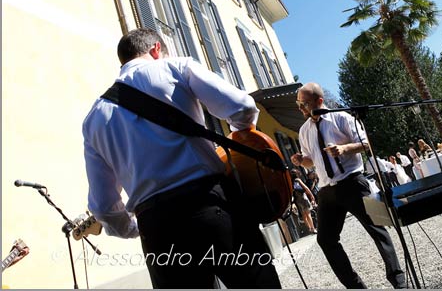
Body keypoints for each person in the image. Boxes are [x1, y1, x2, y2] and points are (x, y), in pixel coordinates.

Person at [82, 29, 281, 289]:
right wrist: (239, 143)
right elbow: (242, 107)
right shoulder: (176, 67)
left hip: (156, 229)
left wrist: (135, 228)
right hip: (211, 204)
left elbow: (104, 206)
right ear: (156, 49)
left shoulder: (93, 120)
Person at [290, 83, 406, 289]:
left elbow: (365, 143)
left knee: (378, 230)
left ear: (319, 101)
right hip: (327, 190)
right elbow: (311, 161)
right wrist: (301, 160)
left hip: (352, 182)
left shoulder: (341, 117)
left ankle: (399, 282)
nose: (300, 109)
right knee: (325, 240)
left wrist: (344, 148)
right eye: (298, 104)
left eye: (304, 104)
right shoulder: (303, 130)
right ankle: (356, 287)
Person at [290, 168, 317, 234]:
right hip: (303, 198)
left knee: (304, 215)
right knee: (308, 213)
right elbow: (306, 188)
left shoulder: (291, 182)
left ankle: (309, 229)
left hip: (298, 200)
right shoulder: (298, 180)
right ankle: (313, 228)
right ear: (297, 174)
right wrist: (311, 196)